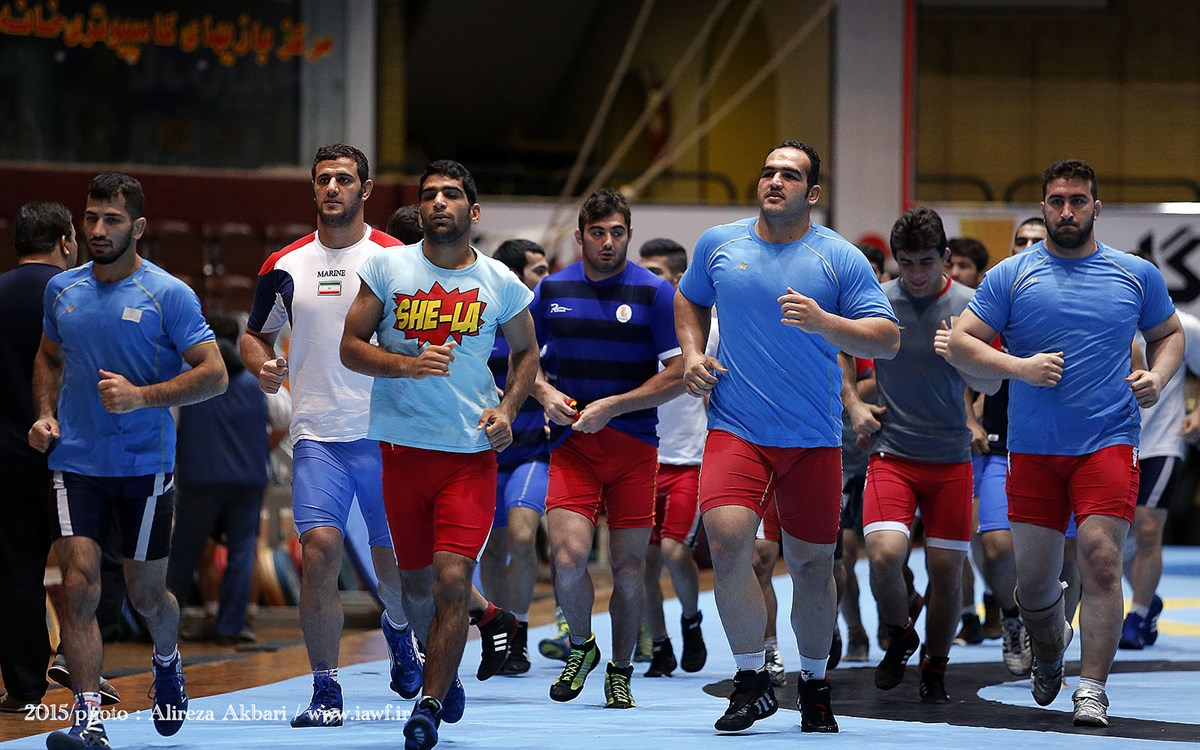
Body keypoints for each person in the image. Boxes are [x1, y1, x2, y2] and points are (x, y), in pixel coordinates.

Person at [947, 159, 1183, 727]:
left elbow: (1169, 333)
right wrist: (1019, 367)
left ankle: (1092, 687)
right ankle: (1050, 649)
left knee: (1100, 560)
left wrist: (1158, 375)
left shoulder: (1135, 274)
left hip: (1108, 439)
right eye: (1057, 201)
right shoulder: (1011, 275)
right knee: (1032, 584)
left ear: (1096, 208)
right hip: (1033, 449)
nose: (1067, 211)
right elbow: (961, 342)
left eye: (1078, 201)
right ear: (1044, 207)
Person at [675, 140, 899, 734]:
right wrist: (693, 353)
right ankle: (751, 680)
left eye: (790, 175)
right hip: (736, 427)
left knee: (811, 565)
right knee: (727, 544)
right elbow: (689, 298)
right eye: (768, 171)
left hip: (812, 437)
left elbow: (886, 338)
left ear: (813, 193)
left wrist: (826, 322)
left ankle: (815, 684)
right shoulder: (719, 244)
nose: (775, 181)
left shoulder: (839, 258)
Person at [340, 158, 538, 750]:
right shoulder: (387, 267)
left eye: (451, 194)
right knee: (416, 589)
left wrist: (508, 410)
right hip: (401, 452)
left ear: (473, 211)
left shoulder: (500, 281)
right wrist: (406, 365)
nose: (439, 203)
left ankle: (426, 705)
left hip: (468, 456)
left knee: (453, 580)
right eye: (429, 194)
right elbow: (350, 347)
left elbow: (527, 353)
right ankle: (443, 675)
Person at [31, 173, 228, 749]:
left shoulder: (169, 294)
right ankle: (88, 717)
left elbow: (214, 375)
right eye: (91, 218)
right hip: (75, 462)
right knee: (79, 587)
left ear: (137, 227)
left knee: (147, 596)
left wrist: (142, 397)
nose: (97, 229)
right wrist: (44, 412)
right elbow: (48, 355)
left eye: (112, 220)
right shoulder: (61, 289)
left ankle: (167, 660)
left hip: (144, 465)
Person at [240, 144, 425, 727]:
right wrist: (263, 365)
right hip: (317, 435)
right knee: (319, 554)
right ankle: (325, 689)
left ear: (365, 190)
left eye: (344, 179)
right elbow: (254, 336)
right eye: (323, 179)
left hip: (386, 435)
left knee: (394, 566)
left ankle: (398, 630)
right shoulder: (284, 265)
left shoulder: (398, 258)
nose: (332, 189)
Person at [532, 189, 684, 710]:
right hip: (572, 446)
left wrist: (614, 407)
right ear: (580, 237)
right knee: (567, 558)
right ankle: (582, 645)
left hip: (634, 450)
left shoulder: (654, 292)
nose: (607, 242)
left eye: (617, 232)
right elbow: (522, 357)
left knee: (628, 569)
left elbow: (679, 374)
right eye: (597, 232)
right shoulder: (552, 288)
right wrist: (543, 393)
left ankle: (620, 670)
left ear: (629, 235)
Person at [844, 207, 999, 704]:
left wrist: (961, 355)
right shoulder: (877, 301)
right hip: (892, 453)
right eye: (905, 263)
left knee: (947, 571)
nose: (914, 274)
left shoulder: (970, 307)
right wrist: (854, 404)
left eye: (925, 263)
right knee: (884, 556)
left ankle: (935, 666)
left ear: (945, 257)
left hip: (951, 458)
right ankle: (900, 632)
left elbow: (992, 383)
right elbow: (837, 351)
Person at [0, 202, 78, 714]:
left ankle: (24, 687)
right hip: (71, 454)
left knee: (16, 570)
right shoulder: (76, 292)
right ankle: (80, 662)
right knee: (90, 562)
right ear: (65, 241)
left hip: (6, 456)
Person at [167, 315, 276, 645]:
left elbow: (169, 428)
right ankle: (231, 627)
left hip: (199, 478)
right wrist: (260, 449)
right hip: (248, 479)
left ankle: (163, 626)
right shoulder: (257, 380)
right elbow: (285, 416)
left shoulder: (187, 379)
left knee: (184, 553)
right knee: (242, 551)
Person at [637, 237, 710, 678]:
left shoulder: (708, 330)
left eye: (655, 273)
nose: (646, 281)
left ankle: (691, 620)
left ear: (678, 279)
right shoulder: (633, 324)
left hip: (689, 462)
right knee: (643, 561)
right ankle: (660, 643)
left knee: (674, 550)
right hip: (644, 460)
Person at [478, 238, 551, 674]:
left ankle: (520, 633)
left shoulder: (546, 320)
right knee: (492, 548)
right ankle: (498, 631)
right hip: (485, 453)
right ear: (514, 277)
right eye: (539, 270)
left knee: (523, 538)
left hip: (531, 452)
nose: (547, 278)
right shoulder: (481, 320)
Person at [1120, 309, 1200, 648]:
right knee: (1110, 536)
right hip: (1112, 442)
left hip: (1161, 441)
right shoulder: (1104, 313)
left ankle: (1137, 615)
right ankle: (1148, 598)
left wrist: (1198, 412)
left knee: (1149, 527)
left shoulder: (1184, 325)